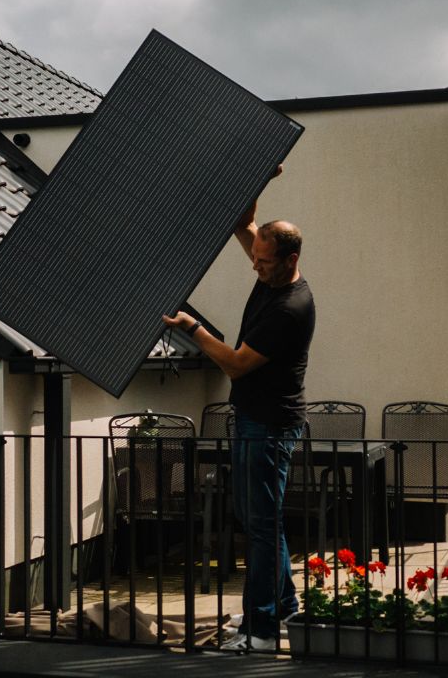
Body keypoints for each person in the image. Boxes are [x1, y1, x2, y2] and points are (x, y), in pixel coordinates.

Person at [163, 168, 316, 651]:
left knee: (260, 528)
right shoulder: (270, 268)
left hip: (268, 426)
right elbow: (241, 223)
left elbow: (234, 365)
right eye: (256, 257)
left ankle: (262, 631)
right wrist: (255, 172)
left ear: (289, 259)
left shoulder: (289, 308)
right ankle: (286, 608)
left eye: (265, 262)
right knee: (262, 522)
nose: (255, 266)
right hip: (257, 421)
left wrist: (193, 329)